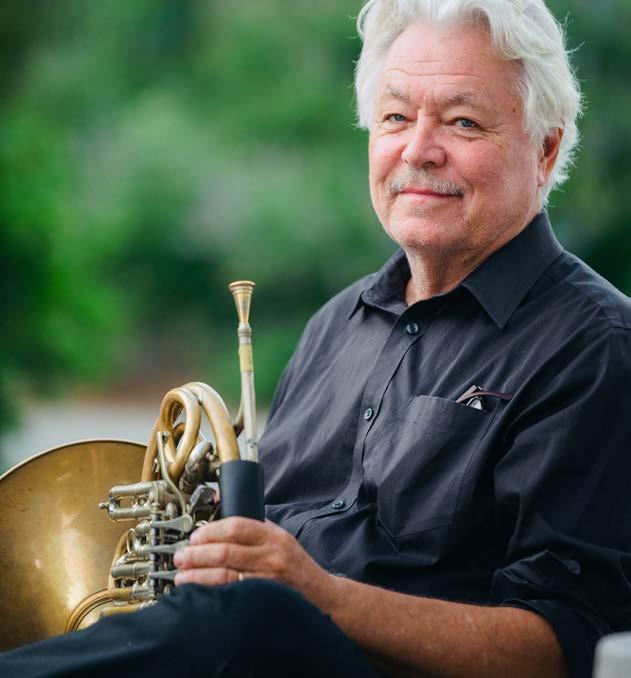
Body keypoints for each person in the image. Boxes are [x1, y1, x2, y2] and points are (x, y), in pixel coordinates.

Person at [1, 1, 630, 677]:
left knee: (254, 614)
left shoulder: (595, 347)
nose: (418, 150)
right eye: (395, 118)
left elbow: (562, 648)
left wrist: (317, 595)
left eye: (462, 122)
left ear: (545, 150)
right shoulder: (335, 325)